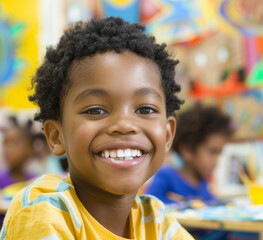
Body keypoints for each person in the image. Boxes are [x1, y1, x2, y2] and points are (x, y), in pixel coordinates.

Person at [1, 17, 193, 239]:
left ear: (168, 135)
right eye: (96, 110)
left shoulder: (156, 219)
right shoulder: (41, 211)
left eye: (145, 110)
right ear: (56, 136)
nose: (124, 125)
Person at [146, 104, 232, 205]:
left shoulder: (203, 184)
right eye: (212, 152)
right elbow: (147, 205)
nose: (216, 161)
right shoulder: (166, 176)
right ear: (187, 150)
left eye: (219, 154)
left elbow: (210, 203)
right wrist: (179, 203)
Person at [0, 116, 37, 189]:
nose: (8, 149)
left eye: (15, 143)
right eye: (5, 143)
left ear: (30, 149)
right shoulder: (1, 180)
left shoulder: (35, 181)